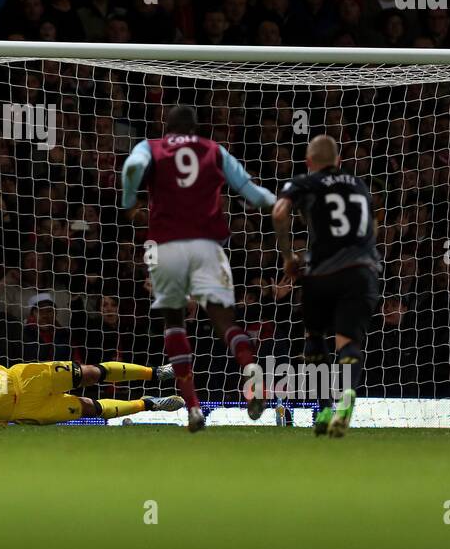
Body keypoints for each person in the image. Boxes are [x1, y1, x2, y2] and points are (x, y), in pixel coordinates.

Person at [0, 253, 181, 427]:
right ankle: (151, 404)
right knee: (89, 406)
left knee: (90, 373)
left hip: (25, 378)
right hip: (24, 412)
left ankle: (157, 373)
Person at [120, 103, 276, 431]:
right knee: (225, 322)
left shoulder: (151, 147)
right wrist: (280, 202)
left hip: (166, 248)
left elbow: (133, 167)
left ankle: (192, 407)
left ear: (167, 128)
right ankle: (251, 371)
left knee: (174, 323)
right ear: (196, 130)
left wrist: (128, 197)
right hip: (208, 246)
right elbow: (254, 194)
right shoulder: (214, 150)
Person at [272, 134, 381, 437]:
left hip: (322, 272)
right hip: (362, 271)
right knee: (348, 343)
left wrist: (287, 256)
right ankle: (346, 398)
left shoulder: (306, 182)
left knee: (315, 336)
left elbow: (279, 211)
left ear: (309, 162)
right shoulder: (359, 184)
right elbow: (372, 225)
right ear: (339, 161)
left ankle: (323, 410)